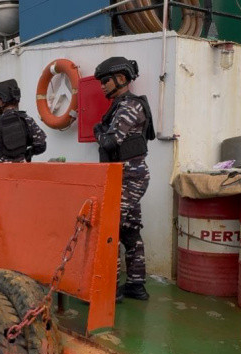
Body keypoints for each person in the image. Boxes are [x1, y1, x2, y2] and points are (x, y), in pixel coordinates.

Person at [93, 57, 155, 303]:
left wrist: (98, 131)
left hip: (129, 177)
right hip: (127, 175)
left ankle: (110, 288)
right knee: (129, 233)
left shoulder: (129, 106)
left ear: (121, 78)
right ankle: (136, 286)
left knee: (109, 230)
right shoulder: (121, 106)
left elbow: (110, 141)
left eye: (106, 81)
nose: (102, 86)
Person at [0, 83, 47, 163]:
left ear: (2, 102)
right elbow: (41, 145)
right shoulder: (27, 119)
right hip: (21, 171)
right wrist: (27, 154)